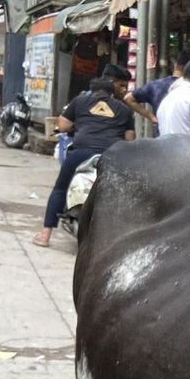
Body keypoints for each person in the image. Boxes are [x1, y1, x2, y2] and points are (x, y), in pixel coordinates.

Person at [32, 64, 134, 246]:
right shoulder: (123, 109)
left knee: (60, 189)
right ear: (112, 92)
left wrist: (76, 125)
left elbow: (63, 126)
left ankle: (45, 235)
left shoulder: (80, 101)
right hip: (112, 156)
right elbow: (130, 139)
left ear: (92, 91)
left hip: (81, 153)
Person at [123, 50, 190, 130]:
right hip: (185, 136)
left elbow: (128, 98)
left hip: (160, 134)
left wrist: (151, 117)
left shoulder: (156, 85)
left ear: (175, 65)